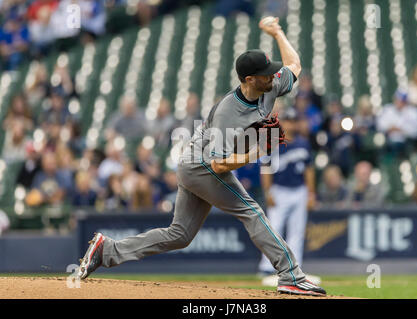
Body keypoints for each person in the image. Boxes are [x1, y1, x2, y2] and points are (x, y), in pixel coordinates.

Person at [77, 17, 326, 296]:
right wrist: (257, 151)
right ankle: (290, 274)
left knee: (180, 235)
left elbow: (295, 65)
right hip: (201, 165)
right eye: (266, 73)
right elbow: (218, 165)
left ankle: (106, 250)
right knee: (252, 211)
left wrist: (278, 32)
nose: (272, 76)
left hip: (195, 164)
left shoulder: (269, 87)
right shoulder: (228, 112)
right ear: (249, 79)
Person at [257, 107, 321, 286]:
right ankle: (267, 266)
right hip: (279, 190)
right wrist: (268, 192)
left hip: (299, 190)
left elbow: (309, 171)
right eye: (287, 120)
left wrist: (311, 193)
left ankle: (294, 266)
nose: (290, 124)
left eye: (293, 121)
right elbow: (266, 170)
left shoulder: (303, 143)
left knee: (297, 231)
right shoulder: (272, 142)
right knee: (274, 229)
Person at [376, 89, 417, 157]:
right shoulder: (388, 109)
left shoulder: (413, 112)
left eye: (401, 100)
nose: (399, 102)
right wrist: (390, 128)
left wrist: (401, 130)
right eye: (397, 99)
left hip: (407, 142)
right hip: (388, 141)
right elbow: (379, 125)